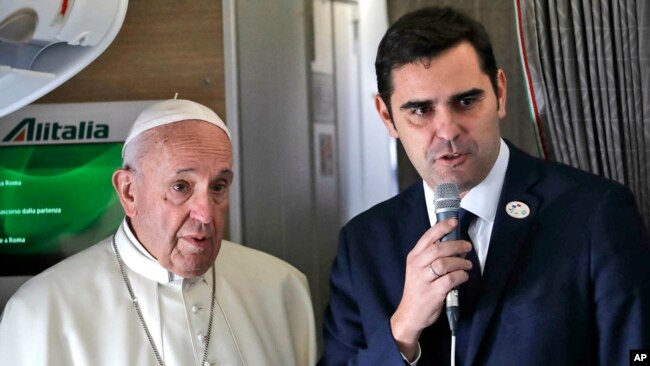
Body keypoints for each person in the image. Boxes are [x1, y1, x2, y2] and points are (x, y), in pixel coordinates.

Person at [319, 6, 650, 366]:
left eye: (466, 101)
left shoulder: (594, 213)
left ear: (500, 93)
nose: (447, 131)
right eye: (420, 111)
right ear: (387, 117)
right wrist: (402, 328)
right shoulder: (363, 243)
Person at [0, 99, 316, 366]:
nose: (205, 214)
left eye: (218, 186)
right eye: (181, 187)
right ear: (129, 192)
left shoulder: (284, 289)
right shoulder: (40, 311)